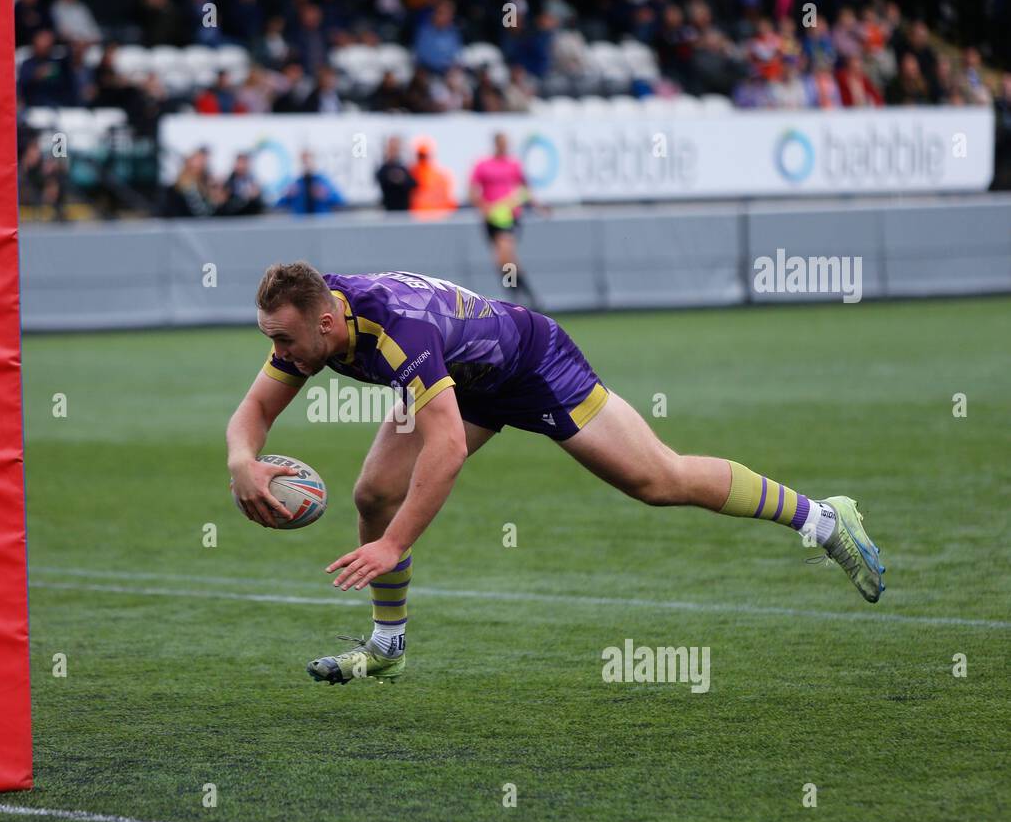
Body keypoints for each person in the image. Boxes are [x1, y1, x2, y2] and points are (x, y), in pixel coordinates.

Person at [226, 263, 886, 684]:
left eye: (283, 341)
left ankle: (824, 517)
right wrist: (241, 461)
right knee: (373, 490)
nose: (278, 353)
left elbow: (447, 446)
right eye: (270, 341)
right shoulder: (313, 327)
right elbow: (253, 412)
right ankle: (388, 646)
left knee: (659, 479)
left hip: (536, 362)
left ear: (326, 321)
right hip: (463, 378)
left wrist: (394, 543)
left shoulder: (396, 329)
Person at [468, 132, 545, 308]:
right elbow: (473, 191)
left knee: (505, 255)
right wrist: (484, 207)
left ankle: (519, 297)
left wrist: (538, 206)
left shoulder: (514, 165)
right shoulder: (483, 165)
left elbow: (525, 189)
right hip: (492, 218)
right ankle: (523, 294)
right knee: (503, 261)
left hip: (510, 217)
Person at [375, 136, 416, 212]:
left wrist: (402, 179)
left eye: (396, 148)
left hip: (405, 211)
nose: (394, 150)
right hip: (389, 211)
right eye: (391, 148)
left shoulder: (404, 168)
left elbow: (413, 183)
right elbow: (380, 178)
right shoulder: (384, 169)